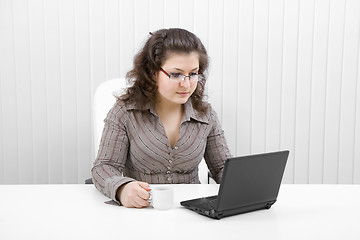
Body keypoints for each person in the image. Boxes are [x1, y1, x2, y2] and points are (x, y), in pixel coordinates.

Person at [91, 28, 231, 208]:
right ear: (152, 72)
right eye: (176, 74)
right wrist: (122, 188)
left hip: (191, 213)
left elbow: (222, 169)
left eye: (193, 73)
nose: (186, 84)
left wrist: (243, 185)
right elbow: (103, 167)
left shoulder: (206, 114)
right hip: (140, 211)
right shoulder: (125, 112)